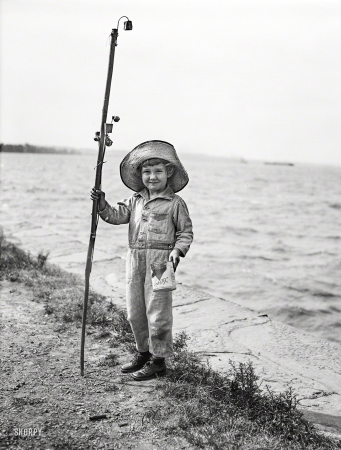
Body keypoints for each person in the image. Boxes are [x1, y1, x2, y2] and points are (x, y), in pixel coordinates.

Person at [91, 140, 193, 380]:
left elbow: (185, 233)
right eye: (147, 172)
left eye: (158, 171)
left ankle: (159, 361)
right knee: (135, 311)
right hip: (135, 261)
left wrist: (178, 251)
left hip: (162, 264)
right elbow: (115, 216)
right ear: (140, 175)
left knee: (159, 314)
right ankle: (143, 353)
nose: (152, 177)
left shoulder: (175, 203)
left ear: (169, 173)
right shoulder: (135, 199)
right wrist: (102, 204)